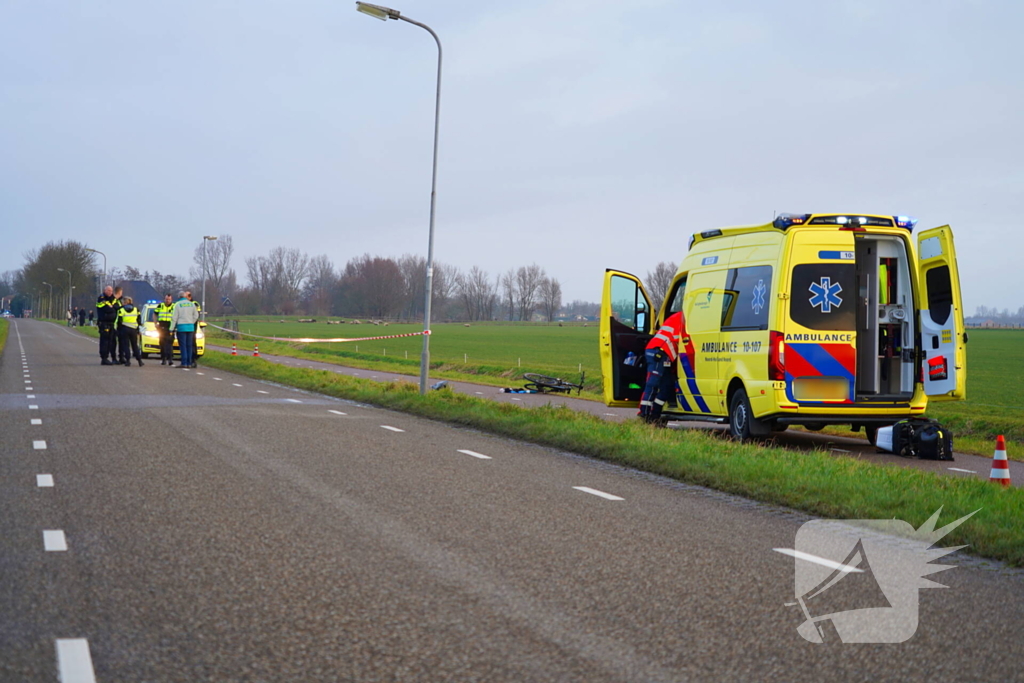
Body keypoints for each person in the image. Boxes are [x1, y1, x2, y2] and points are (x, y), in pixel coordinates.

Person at [638, 310, 687, 423]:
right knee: (653, 383)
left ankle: (655, 413)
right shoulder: (683, 317)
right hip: (658, 351)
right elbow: (680, 338)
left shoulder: (680, 316)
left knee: (667, 385)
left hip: (664, 354)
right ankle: (644, 413)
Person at [170, 291, 200, 369]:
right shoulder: (192, 304)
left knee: (183, 346)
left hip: (181, 327)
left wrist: (171, 329)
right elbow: (196, 315)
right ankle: (189, 363)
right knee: (189, 345)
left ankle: (184, 362)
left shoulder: (177, 305)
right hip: (190, 327)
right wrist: (191, 322)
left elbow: (174, 318)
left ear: (179, 297)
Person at [116, 296, 144, 367]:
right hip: (133, 329)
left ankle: (128, 361)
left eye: (123, 302)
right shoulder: (136, 310)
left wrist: (118, 330)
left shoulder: (121, 310)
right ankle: (139, 360)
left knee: (126, 346)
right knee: (135, 345)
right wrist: (138, 329)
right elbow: (139, 320)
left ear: (125, 302)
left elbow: (119, 321)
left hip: (124, 329)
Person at [95, 286, 119, 365]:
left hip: (112, 323)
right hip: (104, 323)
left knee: (111, 341)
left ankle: (112, 357)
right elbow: (106, 309)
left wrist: (112, 307)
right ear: (104, 290)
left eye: (111, 291)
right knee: (104, 341)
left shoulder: (113, 299)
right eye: (108, 290)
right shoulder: (101, 298)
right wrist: (112, 308)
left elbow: (118, 307)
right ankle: (104, 358)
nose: (110, 292)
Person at [154, 293, 176, 366]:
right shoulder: (160, 305)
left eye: (169, 299)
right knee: (162, 343)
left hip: (171, 326)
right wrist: (155, 323)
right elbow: (155, 314)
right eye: (166, 299)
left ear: (171, 300)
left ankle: (170, 359)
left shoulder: (174, 306)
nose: (167, 301)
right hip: (162, 326)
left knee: (169, 343)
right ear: (164, 299)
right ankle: (163, 359)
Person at [185, 290, 201, 365]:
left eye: (186, 296)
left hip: (192, 325)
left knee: (192, 341)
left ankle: (193, 358)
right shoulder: (184, 304)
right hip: (185, 325)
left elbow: (196, 315)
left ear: (190, 297)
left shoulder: (195, 304)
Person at [110, 286, 124, 361]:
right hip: (114, 324)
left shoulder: (119, 301)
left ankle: (121, 357)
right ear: (119, 292)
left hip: (120, 324)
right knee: (113, 342)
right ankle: (114, 358)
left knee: (121, 341)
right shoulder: (113, 300)